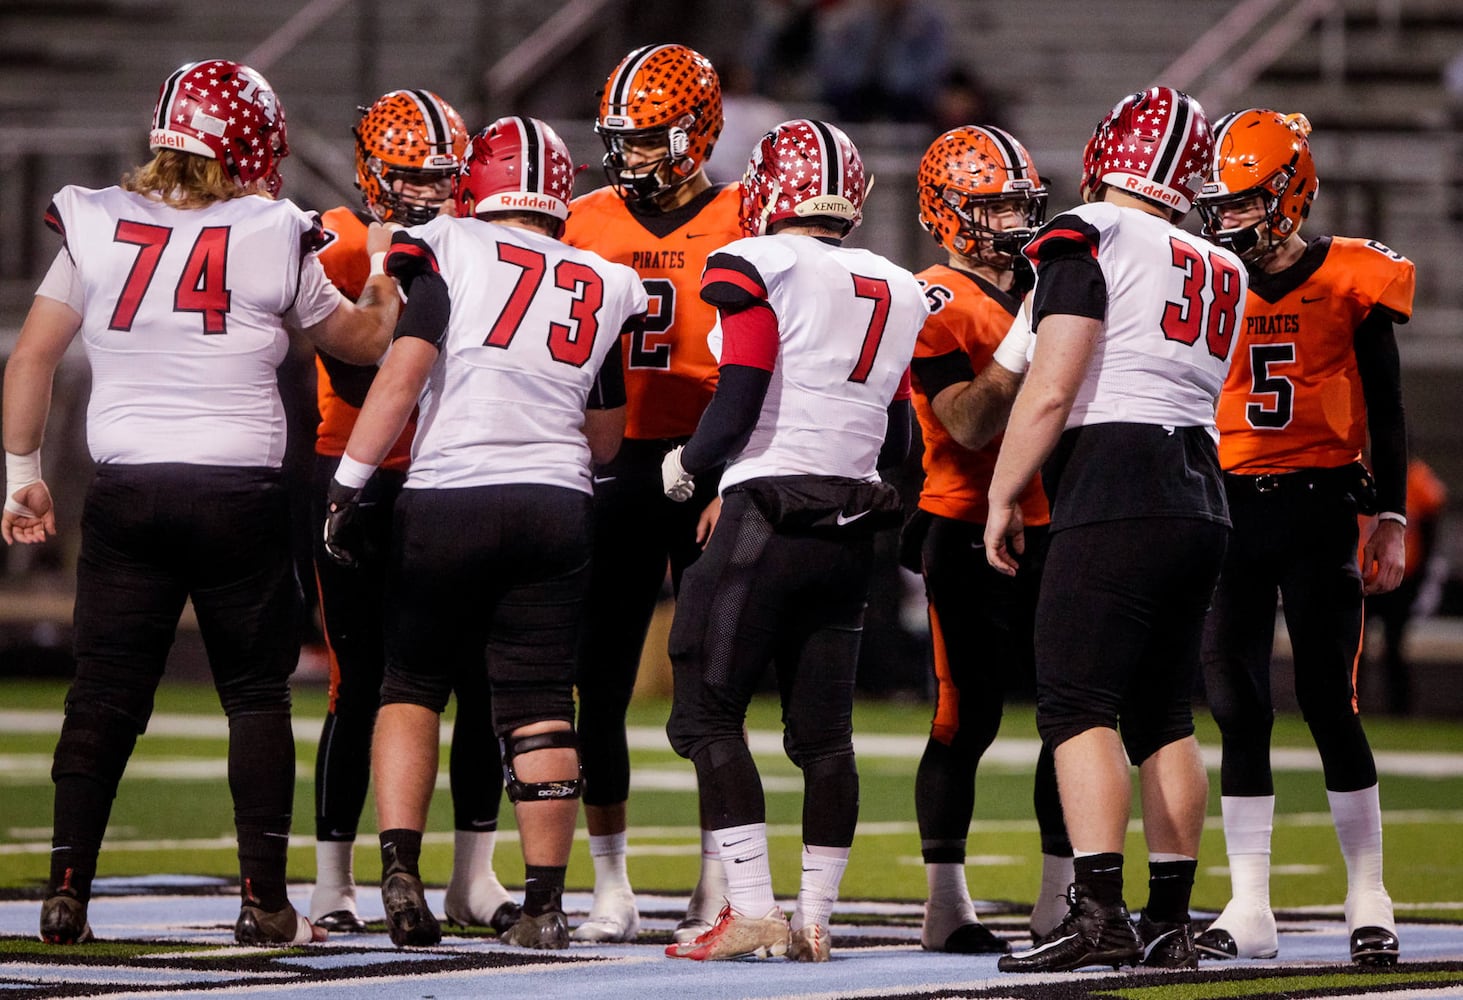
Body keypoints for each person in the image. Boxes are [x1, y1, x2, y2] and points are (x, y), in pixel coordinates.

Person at [2, 58, 400, 946]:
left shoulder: (98, 220)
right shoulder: (271, 229)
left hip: (128, 489)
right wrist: (385, 270)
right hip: (237, 495)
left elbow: (29, 358)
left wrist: (19, 473)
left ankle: (66, 889)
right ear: (248, 145)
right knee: (254, 697)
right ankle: (264, 902)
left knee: (100, 696)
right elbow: (366, 343)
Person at [321, 116, 647, 950]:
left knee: (411, 684)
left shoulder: (448, 246)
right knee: (540, 704)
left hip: (451, 493)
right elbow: (607, 436)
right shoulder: (603, 278)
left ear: (479, 181)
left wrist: (349, 482)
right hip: (557, 502)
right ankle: (543, 903)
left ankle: (400, 874)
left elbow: (404, 369)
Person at [985, 87, 1244, 974]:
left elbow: (1051, 385)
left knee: (1077, 704)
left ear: (1106, 156)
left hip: (1117, 476)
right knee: (1164, 714)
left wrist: (1002, 492)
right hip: (1200, 486)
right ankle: (1168, 921)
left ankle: (1094, 911)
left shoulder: (1086, 229)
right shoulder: (1219, 262)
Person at [661, 118, 929, 962]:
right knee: (823, 738)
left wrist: (688, 466)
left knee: (703, 712)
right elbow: (901, 438)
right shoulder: (898, 282)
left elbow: (738, 392)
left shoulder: (758, 263)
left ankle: (748, 909)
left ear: (768, 188)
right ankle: (813, 918)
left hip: (766, 512)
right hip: (849, 524)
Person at [1193, 108, 1413, 967]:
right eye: (1227, 204)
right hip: (1225, 505)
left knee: (1330, 701)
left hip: (1320, 504)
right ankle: (1250, 904)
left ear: (1289, 194)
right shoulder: (1212, 277)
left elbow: (1387, 410)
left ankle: (1369, 894)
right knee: (1237, 707)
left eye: (1246, 203)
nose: (1230, 219)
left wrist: (1388, 515)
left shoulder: (1353, 277)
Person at [307, 88, 518, 936]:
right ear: (370, 172)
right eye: (407, 177)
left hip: (448, 477)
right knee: (355, 682)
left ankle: (474, 875)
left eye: (440, 177)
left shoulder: (477, 247)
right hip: (351, 468)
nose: (426, 193)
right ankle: (332, 879)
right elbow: (359, 366)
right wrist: (386, 269)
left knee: (473, 680)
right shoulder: (337, 238)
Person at [561, 42, 744, 945]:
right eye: (621, 138)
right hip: (614, 462)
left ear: (697, 131)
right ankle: (611, 881)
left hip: (711, 459)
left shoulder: (749, 216)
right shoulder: (581, 216)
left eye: (648, 137)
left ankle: (720, 874)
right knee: (597, 679)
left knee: (712, 678)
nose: (628, 155)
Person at [905, 124, 1073, 954]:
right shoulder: (932, 297)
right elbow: (966, 424)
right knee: (960, 719)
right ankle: (945, 901)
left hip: (1058, 527)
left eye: (1018, 201)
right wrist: (1025, 339)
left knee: (1069, 718)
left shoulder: (1048, 280)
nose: (1012, 217)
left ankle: (1057, 899)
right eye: (993, 203)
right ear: (948, 212)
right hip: (965, 525)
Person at [1363, 458, 1447, 715]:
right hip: (1362, 575)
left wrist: (1422, 575)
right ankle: (1350, 705)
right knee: (1355, 646)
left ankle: (1399, 707)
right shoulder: (1359, 473)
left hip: (1400, 577)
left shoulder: (1416, 478)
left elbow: (1429, 527)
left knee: (1394, 644)